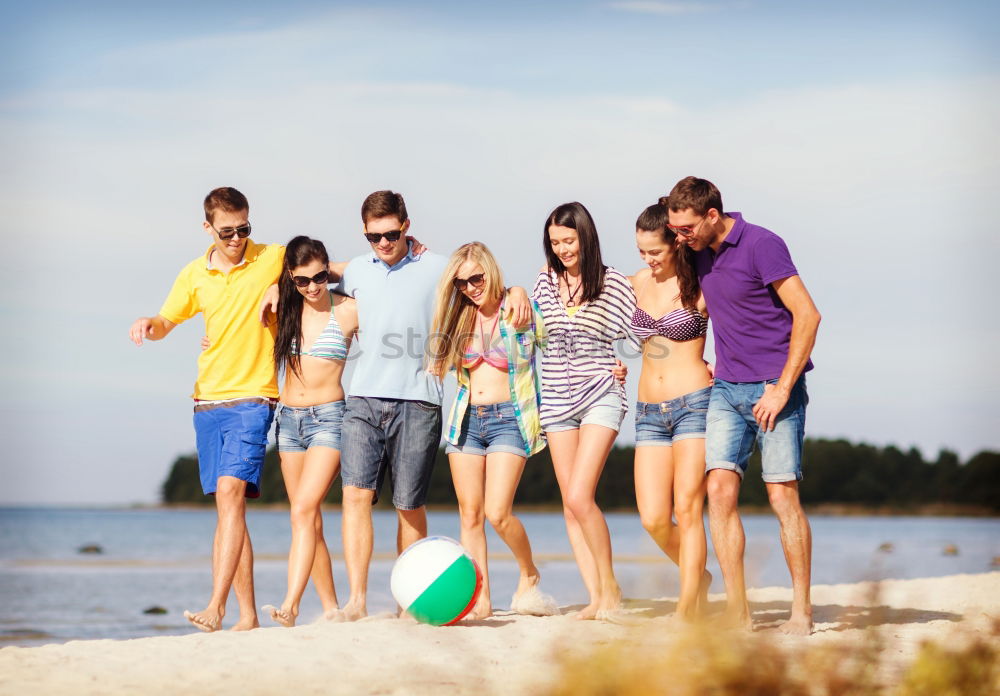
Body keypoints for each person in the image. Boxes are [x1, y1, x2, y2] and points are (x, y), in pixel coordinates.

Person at [302, 190, 533, 621]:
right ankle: (356, 601)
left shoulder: (438, 266)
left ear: (406, 226)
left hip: (419, 402)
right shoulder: (355, 269)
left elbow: (483, 278)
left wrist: (517, 287)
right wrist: (273, 292)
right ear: (365, 235)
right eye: (374, 237)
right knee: (355, 496)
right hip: (363, 399)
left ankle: (408, 602)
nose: (384, 244)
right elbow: (309, 272)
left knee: (408, 504)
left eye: (391, 234)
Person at [666, 176, 821, 635]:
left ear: (712, 216)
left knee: (780, 496)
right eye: (677, 228)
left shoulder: (763, 244)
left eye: (687, 228)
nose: (681, 237)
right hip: (726, 391)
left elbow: (808, 315)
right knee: (718, 492)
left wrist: (782, 389)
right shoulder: (697, 251)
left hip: (775, 388)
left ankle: (801, 610)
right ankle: (739, 610)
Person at [128, 187, 282, 632]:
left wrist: (278, 283)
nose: (237, 239)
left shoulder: (272, 255)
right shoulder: (194, 274)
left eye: (244, 229)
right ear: (208, 228)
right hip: (207, 401)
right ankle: (248, 617)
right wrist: (148, 325)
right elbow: (166, 322)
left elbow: (321, 266)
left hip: (255, 396)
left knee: (232, 496)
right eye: (228, 231)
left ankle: (216, 606)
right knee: (229, 509)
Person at [429, 242, 556, 620]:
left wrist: (519, 291)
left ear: (491, 271)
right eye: (462, 282)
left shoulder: (518, 308)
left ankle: (528, 570)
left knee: (498, 513)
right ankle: (479, 598)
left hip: (509, 420)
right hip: (467, 420)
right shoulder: (459, 319)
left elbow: (559, 344)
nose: (470, 287)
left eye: (477, 277)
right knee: (470, 516)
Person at [532, 202, 631, 621]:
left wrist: (626, 363)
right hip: (555, 401)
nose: (562, 250)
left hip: (600, 395)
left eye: (568, 240)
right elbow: (527, 329)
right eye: (555, 243)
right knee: (569, 505)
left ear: (585, 237)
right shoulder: (544, 282)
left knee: (579, 495)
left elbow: (646, 333)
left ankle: (611, 591)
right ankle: (596, 597)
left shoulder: (615, 284)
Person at [259, 236, 359, 627]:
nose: (313, 287)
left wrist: (332, 267)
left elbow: (371, 272)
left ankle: (290, 605)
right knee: (306, 518)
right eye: (303, 281)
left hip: (329, 419)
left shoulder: (349, 309)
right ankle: (331, 607)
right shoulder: (285, 307)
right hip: (288, 422)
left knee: (303, 509)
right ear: (291, 279)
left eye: (320, 276)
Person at [628, 201, 713, 623]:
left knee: (688, 507)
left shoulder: (701, 283)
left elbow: (742, 320)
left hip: (694, 404)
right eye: (641, 251)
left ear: (677, 243)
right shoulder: (639, 281)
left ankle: (686, 609)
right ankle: (698, 575)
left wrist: (733, 372)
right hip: (648, 412)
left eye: (655, 252)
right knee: (653, 518)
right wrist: (515, 291)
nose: (648, 260)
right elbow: (582, 287)